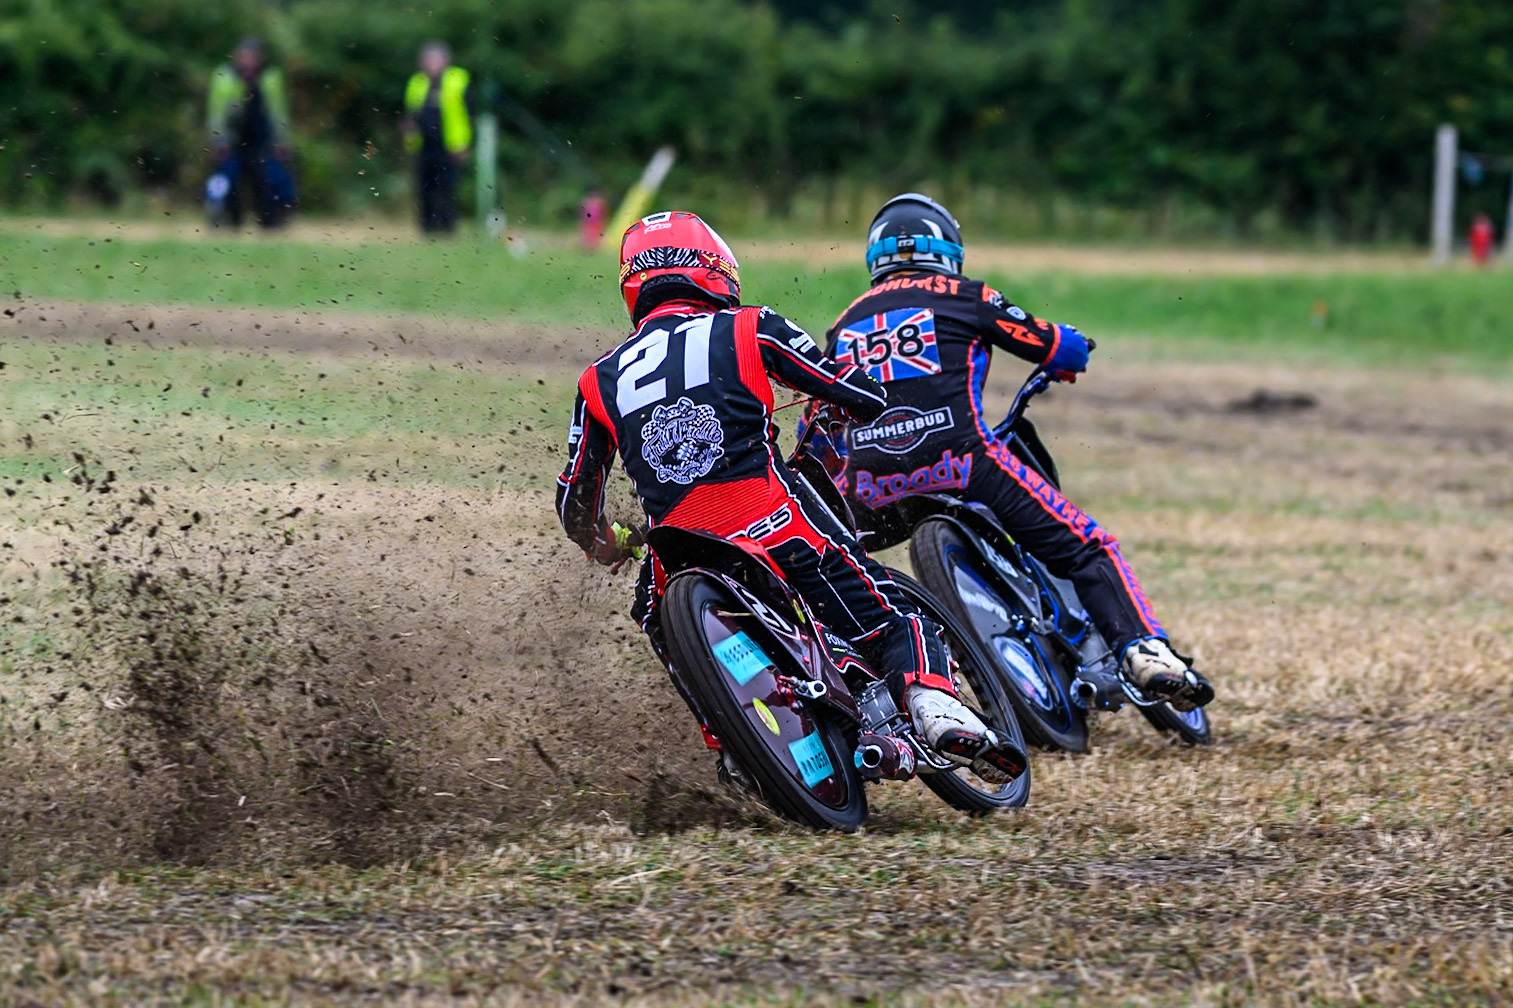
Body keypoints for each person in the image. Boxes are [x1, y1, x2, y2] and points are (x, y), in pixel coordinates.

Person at [555, 211, 1026, 782]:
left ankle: (731, 747)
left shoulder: (595, 378)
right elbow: (853, 391)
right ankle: (935, 706)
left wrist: (608, 543)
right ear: (713, 269)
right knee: (891, 617)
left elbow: (574, 506)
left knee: (653, 612)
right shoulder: (750, 326)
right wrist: (861, 402)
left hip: (674, 556)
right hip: (769, 524)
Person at [823, 193, 1215, 711]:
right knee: (1088, 547)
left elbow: (822, 419)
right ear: (946, 247)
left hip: (870, 483)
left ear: (875, 259)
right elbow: (1058, 347)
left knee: (831, 573)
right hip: (964, 462)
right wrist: (1071, 347)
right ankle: (1144, 652)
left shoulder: (844, 325)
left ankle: (855, 685)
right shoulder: (963, 294)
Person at [206, 38, 296, 228]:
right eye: (244, 57)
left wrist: (283, 142)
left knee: (276, 178)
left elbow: (278, 112)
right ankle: (220, 215)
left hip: (263, 142)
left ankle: (275, 218)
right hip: (233, 142)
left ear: (261, 58)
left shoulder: (270, 77)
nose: (248, 62)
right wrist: (218, 141)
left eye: (252, 57)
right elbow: (216, 114)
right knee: (224, 177)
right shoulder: (226, 76)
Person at [403, 43, 473, 235]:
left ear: (445, 61)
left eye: (434, 60)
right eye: (427, 60)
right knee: (424, 189)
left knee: (447, 188)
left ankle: (447, 228)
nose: (430, 64)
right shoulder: (417, 82)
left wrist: (465, 144)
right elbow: (411, 112)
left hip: (450, 146)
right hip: (424, 146)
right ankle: (427, 228)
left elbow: (469, 113)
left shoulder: (458, 79)